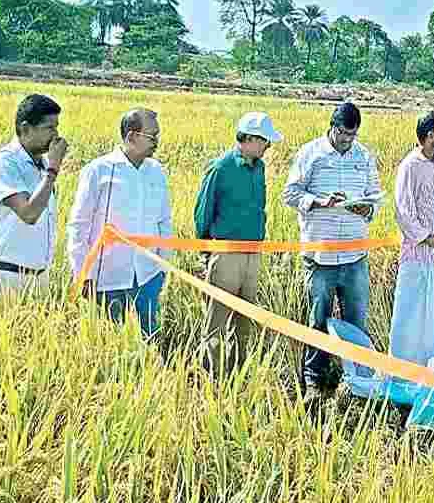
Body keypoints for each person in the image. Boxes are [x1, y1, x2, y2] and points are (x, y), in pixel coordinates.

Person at [281, 102, 382, 403]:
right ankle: (314, 380)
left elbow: (375, 197)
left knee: (355, 322)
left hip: (355, 256)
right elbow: (290, 193)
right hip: (320, 255)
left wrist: (367, 208)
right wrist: (318, 202)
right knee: (318, 319)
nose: (347, 140)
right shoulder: (310, 153)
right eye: (343, 134)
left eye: (353, 135)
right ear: (333, 127)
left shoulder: (364, 157)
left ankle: (356, 383)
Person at [66, 108, 172, 338]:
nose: (157, 143)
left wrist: (164, 266)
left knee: (150, 338)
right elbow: (79, 225)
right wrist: (83, 273)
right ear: (131, 136)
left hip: (148, 274)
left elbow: (164, 220)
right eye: (152, 137)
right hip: (108, 276)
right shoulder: (98, 170)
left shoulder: (156, 171)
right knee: (111, 343)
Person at [193, 111, 283, 372]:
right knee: (217, 321)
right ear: (252, 138)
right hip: (226, 254)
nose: (268, 147)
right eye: (266, 141)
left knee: (245, 321)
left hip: (252, 254)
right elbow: (203, 212)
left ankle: (238, 375)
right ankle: (213, 378)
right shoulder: (221, 168)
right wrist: (205, 252)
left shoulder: (259, 168)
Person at [389, 110, 434, 376]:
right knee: (410, 318)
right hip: (417, 258)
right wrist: (426, 237)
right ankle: (401, 375)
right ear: (430, 135)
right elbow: (403, 211)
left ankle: (430, 374)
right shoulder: (410, 166)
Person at [0, 94, 68, 297]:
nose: (56, 135)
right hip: (3, 278)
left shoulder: (41, 164)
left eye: (56, 127)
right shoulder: (5, 163)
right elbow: (28, 214)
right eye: (49, 128)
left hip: (38, 278)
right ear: (25, 129)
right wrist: (53, 169)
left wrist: (49, 168)